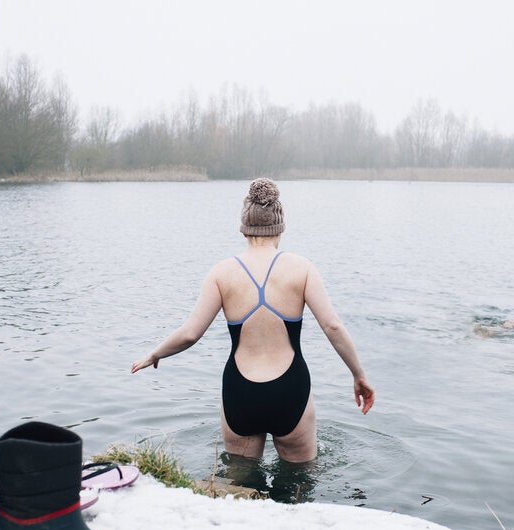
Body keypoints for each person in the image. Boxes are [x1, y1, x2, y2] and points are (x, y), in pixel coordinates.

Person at [131, 178, 375, 463]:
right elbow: (332, 326)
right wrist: (358, 375)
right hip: (290, 390)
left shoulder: (221, 273)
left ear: (243, 229)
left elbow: (190, 333)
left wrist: (155, 353)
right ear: (280, 227)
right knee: (299, 488)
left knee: (239, 483)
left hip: (240, 392)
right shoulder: (302, 269)